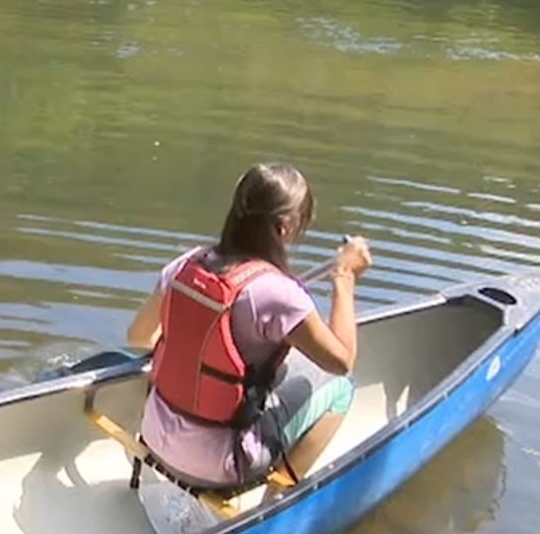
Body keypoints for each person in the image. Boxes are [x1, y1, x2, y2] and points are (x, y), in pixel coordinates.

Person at [123, 162, 373, 492]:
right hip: (222, 466)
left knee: (280, 367)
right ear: (283, 227)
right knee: (342, 388)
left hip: (154, 435)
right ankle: (277, 499)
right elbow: (341, 361)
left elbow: (138, 337)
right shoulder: (278, 294)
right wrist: (345, 278)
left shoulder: (187, 264)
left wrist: (189, 352)